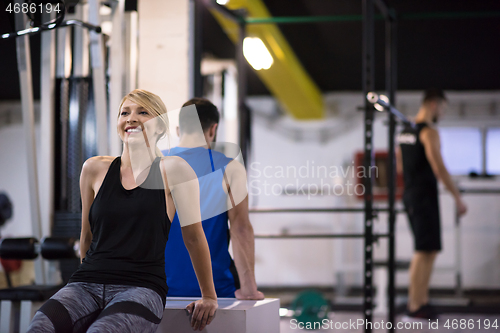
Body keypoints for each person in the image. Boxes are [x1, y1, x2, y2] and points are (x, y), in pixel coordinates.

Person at [28, 89, 218, 333]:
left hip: (142, 287)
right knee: (40, 326)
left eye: (143, 112)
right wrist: (83, 283)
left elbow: (193, 237)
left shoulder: (175, 170)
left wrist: (209, 296)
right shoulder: (94, 169)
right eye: (124, 112)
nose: (131, 118)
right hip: (86, 284)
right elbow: (86, 237)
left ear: (160, 127)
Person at [162, 98, 264, 300]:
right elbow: (240, 229)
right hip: (215, 291)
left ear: (177, 129)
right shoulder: (230, 168)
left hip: (158, 289)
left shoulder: (156, 165)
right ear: (213, 130)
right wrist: (249, 289)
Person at [397, 88, 467, 320]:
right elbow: (439, 167)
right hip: (423, 196)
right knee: (423, 250)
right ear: (434, 105)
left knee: (430, 249)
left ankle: (421, 300)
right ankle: (415, 304)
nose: (443, 114)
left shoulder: (405, 131)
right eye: (443, 109)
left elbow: (399, 165)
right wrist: (457, 197)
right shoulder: (429, 132)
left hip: (412, 195)